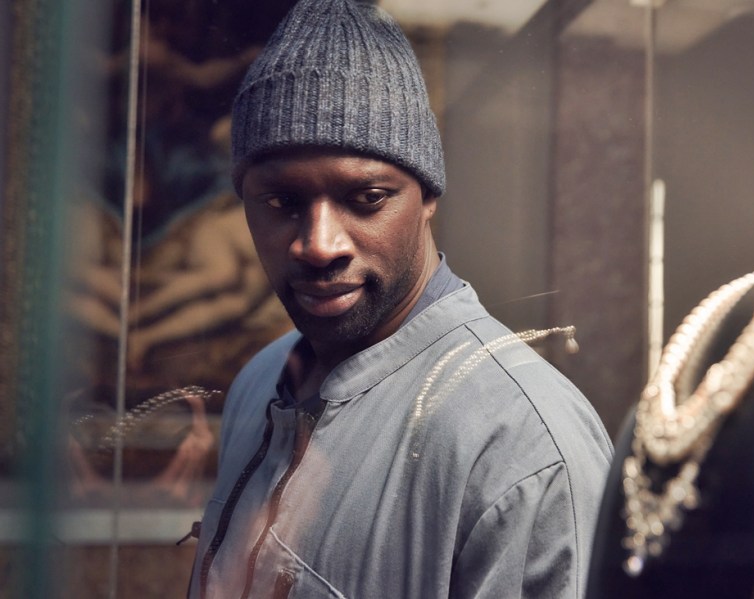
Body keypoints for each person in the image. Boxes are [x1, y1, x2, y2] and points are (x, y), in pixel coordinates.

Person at [185, 1, 614, 597]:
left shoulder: (524, 443)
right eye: (281, 202)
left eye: (366, 198)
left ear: (427, 196)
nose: (318, 245)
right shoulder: (259, 382)